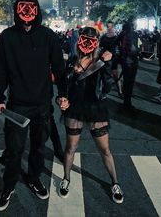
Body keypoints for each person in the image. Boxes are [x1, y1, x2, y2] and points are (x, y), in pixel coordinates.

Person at [0, 0, 68, 211]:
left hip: (42, 104)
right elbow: (1, 69)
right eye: (22, 8)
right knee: (14, 148)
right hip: (17, 104)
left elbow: (59, 67)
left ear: (36, 11)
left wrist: (62, 94)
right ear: (17, 10)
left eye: (31, 8)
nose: (27, 12)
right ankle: (9, 185)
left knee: (38, 147)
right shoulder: (7, 36)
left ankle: (34, 178)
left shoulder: (48, 36)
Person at [58, 27, 123, 204]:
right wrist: (61, 99)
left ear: (96, 43)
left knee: (105, 150)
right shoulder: (72, 61)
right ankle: (66, 178)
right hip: (75, 108)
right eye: (84, 39)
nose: (87, 43)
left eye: (91, 40)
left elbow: (108, 86)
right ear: (79, 41)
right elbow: (64, 86)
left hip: (96, 108)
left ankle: (115, 182)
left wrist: (107, 63)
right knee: (71, 147)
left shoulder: (100, 61)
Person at [116, 20, 140, 110]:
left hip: (127, 61)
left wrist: (120, 52)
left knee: (127, 82)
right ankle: (127, 101)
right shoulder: (133, 34)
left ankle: (127, 101)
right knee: (130, 82)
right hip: (132, 61)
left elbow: (115, 44)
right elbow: (137, 47)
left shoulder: (123, 34)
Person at [100, 21, 123, 97]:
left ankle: (120, 91)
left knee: (116, 75)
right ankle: (103, 92)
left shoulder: (116, 37)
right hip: (105, 59)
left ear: (113, 27)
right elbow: (100, 47)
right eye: (108, 26)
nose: (109, 28)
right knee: (104, 77)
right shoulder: (103, 37)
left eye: (111, 26)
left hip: (114, 58)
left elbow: (120, 47)